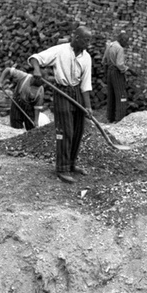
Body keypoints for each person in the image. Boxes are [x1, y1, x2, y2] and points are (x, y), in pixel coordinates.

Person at [28, 26, 94, 183]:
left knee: (78, 130)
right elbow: (35, 58)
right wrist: (37, 70)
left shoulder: (87, 58)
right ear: (76, 38)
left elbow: (85, 85)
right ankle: (62, 169)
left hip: (77, 92)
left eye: (90, 40)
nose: (88, 43)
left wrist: (88, 106)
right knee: (65, 131)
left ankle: (71, 164)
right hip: (62, 92)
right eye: (86, 40)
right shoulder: (60, 51)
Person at [4, 66, 44, 130]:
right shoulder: (24, 76)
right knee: (16, 126)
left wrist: (36, 121)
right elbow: (7, 69)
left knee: (31, 128)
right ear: (33, 78)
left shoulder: (41, 89)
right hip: (18, 103)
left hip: (30, 107)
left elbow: (37, 107)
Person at [103, 34, 131, 122]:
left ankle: (110, 117)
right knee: (121, 95)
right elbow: (119, 64)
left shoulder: (110, 45)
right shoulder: (120, 48)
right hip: (117, 72)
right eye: (126, 41)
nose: (127, 43)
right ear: (122, 40)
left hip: (109, 71)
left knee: (111, 95)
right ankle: (119, 118)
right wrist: (126, 69)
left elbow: (104, 60)